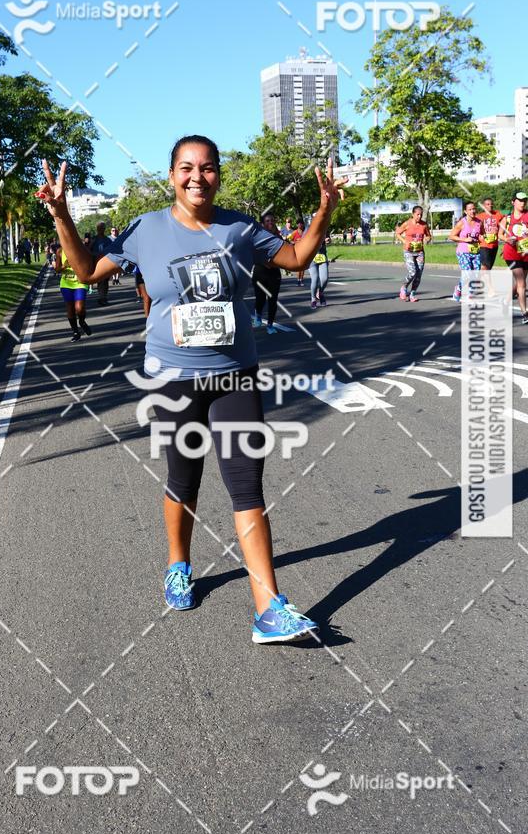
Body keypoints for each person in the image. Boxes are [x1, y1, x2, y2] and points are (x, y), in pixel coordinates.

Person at [36, 136, 346, 643]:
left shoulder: (240, 228)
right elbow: (87, 271)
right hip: (172, 378)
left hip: (234, 374)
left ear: (219, 174)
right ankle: (178, 564)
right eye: (186, 168)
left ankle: (268, 608)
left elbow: (296, 259)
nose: (196, 177)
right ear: (172, 173)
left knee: (246, 484)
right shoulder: (145, 230)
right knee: (185, 478)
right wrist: (62, 214)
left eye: (206, 168)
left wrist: (325, 208)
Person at [53, 239, 92, 342]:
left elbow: (89, 262)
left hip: (80, 282)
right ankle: (75, 332)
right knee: (70, 308)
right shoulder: (60, 252)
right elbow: (56, 269)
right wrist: (64, 266)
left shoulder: (81, 249)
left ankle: (82, 322)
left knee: (79, 307)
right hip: (66, 283)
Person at [499, 191, 528, 323]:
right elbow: (499, 234)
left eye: (524, 201)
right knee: (522, 282)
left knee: (519, 283)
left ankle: (505, 300)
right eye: (519, 200)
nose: (522, 203)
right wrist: (507, 239)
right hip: (511, 253)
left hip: (525, 253)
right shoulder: (507, 218)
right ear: (513, 202)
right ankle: (525, 313)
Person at [252, 212, 282, 333]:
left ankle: (270, 325)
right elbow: (253, 254)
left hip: (274, 273)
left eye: (272, 220)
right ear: (262, 224)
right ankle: (258, 315)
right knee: (260, 299)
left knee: (273, 300)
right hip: (260, 272)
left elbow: (284, 253)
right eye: (267, 221)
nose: (270, 223)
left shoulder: (278, 237)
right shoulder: (257, 237)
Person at [395, 205, 432, 302]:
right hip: (408, 251)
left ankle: (412, 294)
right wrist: (404, 241)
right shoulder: (407, 224)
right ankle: (404, 287)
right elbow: (398, 233)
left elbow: (428, 236)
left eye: (421, 215)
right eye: (417, 214)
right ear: (413, 214)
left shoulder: (424, 225)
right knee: (412, 272)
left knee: (418, 275)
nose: (419, 217)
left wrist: (427, 240)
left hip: (420, 252)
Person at [449, 201, 483, 302]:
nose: (472, 211)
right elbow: (451, 236)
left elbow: (481, 234)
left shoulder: (479, 222)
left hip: (476, 251)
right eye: (470, 209)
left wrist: (482, 238)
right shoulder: (461, 223)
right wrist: (465, 240)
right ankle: (462, 291)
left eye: (474, 209)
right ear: (465, 211)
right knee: (467, 273)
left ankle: (465, 291)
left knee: (476, 274)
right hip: (463, 251)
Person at [477, 197, 504, 272]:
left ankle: (480, 281)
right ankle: (486, 282)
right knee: (485, 267)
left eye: (491, 204)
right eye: (488, 204)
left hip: (494, 245)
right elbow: (474, 229)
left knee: (489, 267)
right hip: (484, 245)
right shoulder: (479, 217)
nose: (490, 206)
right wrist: (479, 236)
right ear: (484, 206)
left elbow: (505, 224)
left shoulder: (498, 215)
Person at [308, 216, 329, 309]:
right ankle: (313, 299)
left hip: (322, 256)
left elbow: (327, 239)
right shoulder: (309, 230)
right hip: (311, 257)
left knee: (324, 279)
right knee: (315, 279)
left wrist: (327, 240)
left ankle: (320, 293)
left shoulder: (325, 228)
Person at [91, 221, 113, 305]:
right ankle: (101, 297)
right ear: (97, 229)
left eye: (102, 228)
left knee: (105, 280)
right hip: (96, 261)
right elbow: (88, 249)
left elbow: (111, 250)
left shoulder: (107, 239)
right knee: (100, 280)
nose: (101, 230)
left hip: (105, 261)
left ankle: (103, 296)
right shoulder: (94, 239)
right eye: (99, 228)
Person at [290, 219, 306, 286]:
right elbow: (289, 239)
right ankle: (298, 280)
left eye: (301, 223)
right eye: (298, 224)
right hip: (296, 251)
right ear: (297, 225)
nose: (300, 225)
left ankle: (301, 280)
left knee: (303, 267)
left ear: (303, 224)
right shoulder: (294, 232)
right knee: (299, 267)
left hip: (304, 251)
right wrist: (295, 242)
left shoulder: (305, 232)